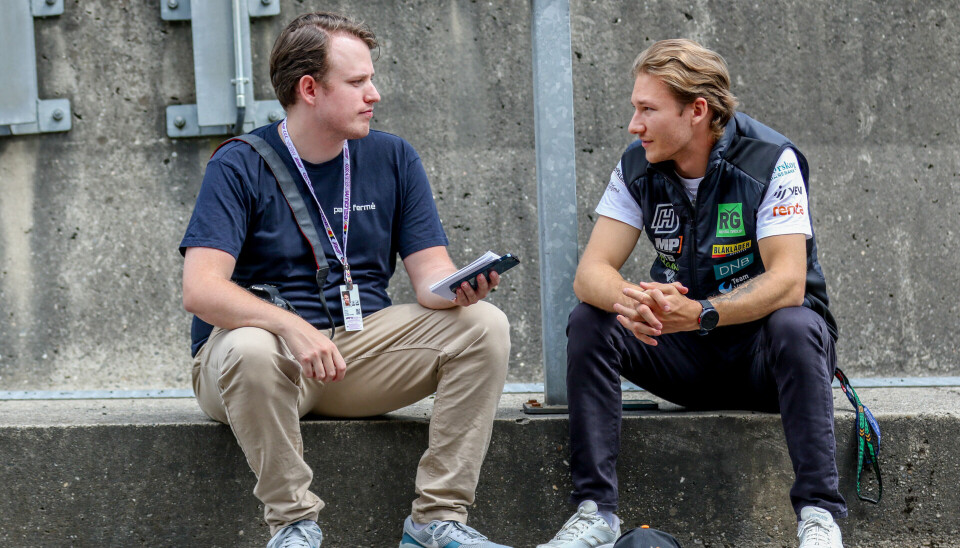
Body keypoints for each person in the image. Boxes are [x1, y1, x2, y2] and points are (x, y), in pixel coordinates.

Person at [180, 12, 512, 548]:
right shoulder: (238, 164)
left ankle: (435, 522)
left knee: (484, 325)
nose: (374, 94)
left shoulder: (392, 156)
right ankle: (293, 526)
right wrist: (289, 326)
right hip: (256, 367)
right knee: (249, 347)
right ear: (309, 89)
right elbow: (201, 288)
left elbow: (429, 275)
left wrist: (457, 288)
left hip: (355, 351)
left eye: (371, 79)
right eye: (358, 82)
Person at [537, 39, 845, 548]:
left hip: (764, 362)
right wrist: (636, 300)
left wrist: (701, 312)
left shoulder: (772, 159)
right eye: (635, 108)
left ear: (696, 111)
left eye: (647, 109)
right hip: (684, 354)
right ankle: (596, 515)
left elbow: (789, 280)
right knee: (592, 318)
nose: (634, 124)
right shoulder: (637, 164)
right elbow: (591, 272)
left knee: (797, 321)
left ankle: (818, 517)